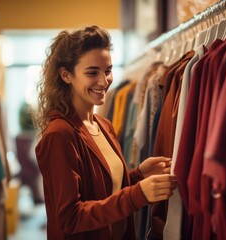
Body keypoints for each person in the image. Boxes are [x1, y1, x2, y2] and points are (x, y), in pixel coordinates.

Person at [33, 25, 177, 240]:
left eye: (108, 70)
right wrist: (137, 195)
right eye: (92, 72)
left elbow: (102, 189)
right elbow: (70, 217)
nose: (104, 81)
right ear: (66, 75)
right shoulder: (59, 135)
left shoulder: (103, 125)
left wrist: (138, 175)